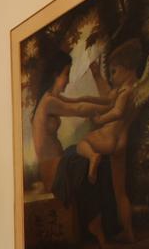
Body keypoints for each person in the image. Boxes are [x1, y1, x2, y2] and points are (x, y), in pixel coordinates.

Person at [30, 50, 110, 192]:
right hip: (54, 171)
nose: (68, 80)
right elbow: (79, 108)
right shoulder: (48, 102)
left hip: (57, 164)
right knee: (100, 160)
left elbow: (79, 101)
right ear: (56, 74)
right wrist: (109, 109)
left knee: (92, 151)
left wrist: (108, 103)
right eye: (66, 73)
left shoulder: (50, 98)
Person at [77, 39, 143, 186]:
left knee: (82, 143)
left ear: (127, 67)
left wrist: (100, 120)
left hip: (108, 137)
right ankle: (121, 202)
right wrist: (97, 76)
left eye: (114, 72)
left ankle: (92, 157)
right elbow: (108, 97)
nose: (112, 78)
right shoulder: (134, 89)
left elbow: (117, 112)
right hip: (122, 140)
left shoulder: (125, 92)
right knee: (119, 188)